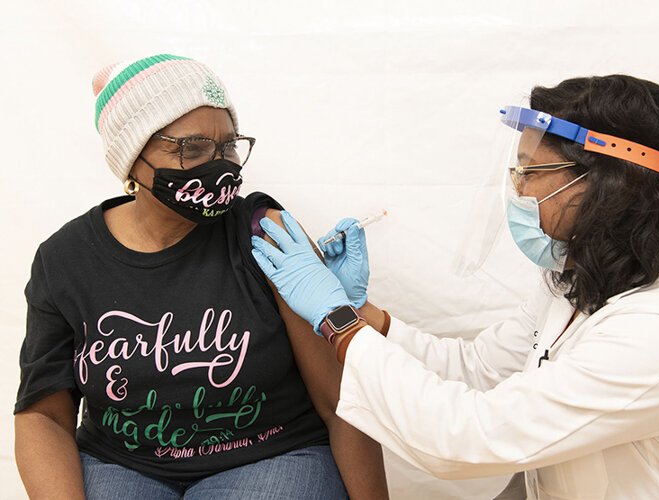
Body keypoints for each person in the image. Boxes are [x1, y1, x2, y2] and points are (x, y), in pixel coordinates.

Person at [251, 74, 659, 498]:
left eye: (531, 172)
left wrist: (336, 321)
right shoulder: (576, 289)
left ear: (607, 183)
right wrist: (365, 314)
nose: (518, 190)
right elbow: (479, 369)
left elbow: (469, 438)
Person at [14, 54, 388, 499]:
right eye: (191, 148)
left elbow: (340, 400)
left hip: (271, 455)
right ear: (132, 159)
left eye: (229, 146)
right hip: (122, 463)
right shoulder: (65, 261)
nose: (220, 165)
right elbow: (44, 416)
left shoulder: (265, 233)